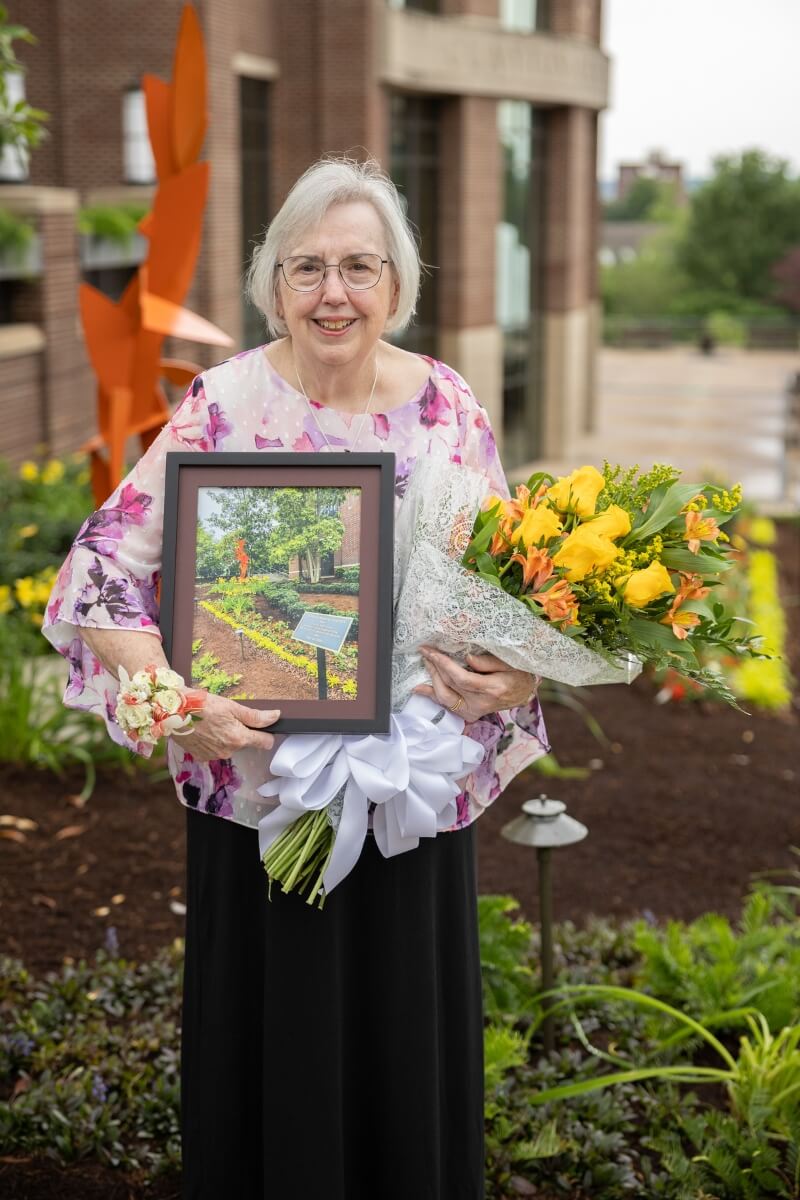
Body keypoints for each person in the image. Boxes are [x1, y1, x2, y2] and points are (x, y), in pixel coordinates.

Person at [43, 156, 549, 1200]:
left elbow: (515, 597)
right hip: (261, 796)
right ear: (271, 286)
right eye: (306, 267)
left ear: (396, 287)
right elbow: (98, 573)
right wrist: (173, 701)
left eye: (359, 267)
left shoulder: (446, 405)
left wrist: (508, 677)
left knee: (406, 1049)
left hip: (410, 792)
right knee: (271, 1059)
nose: (333, 293)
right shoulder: (222, 405)